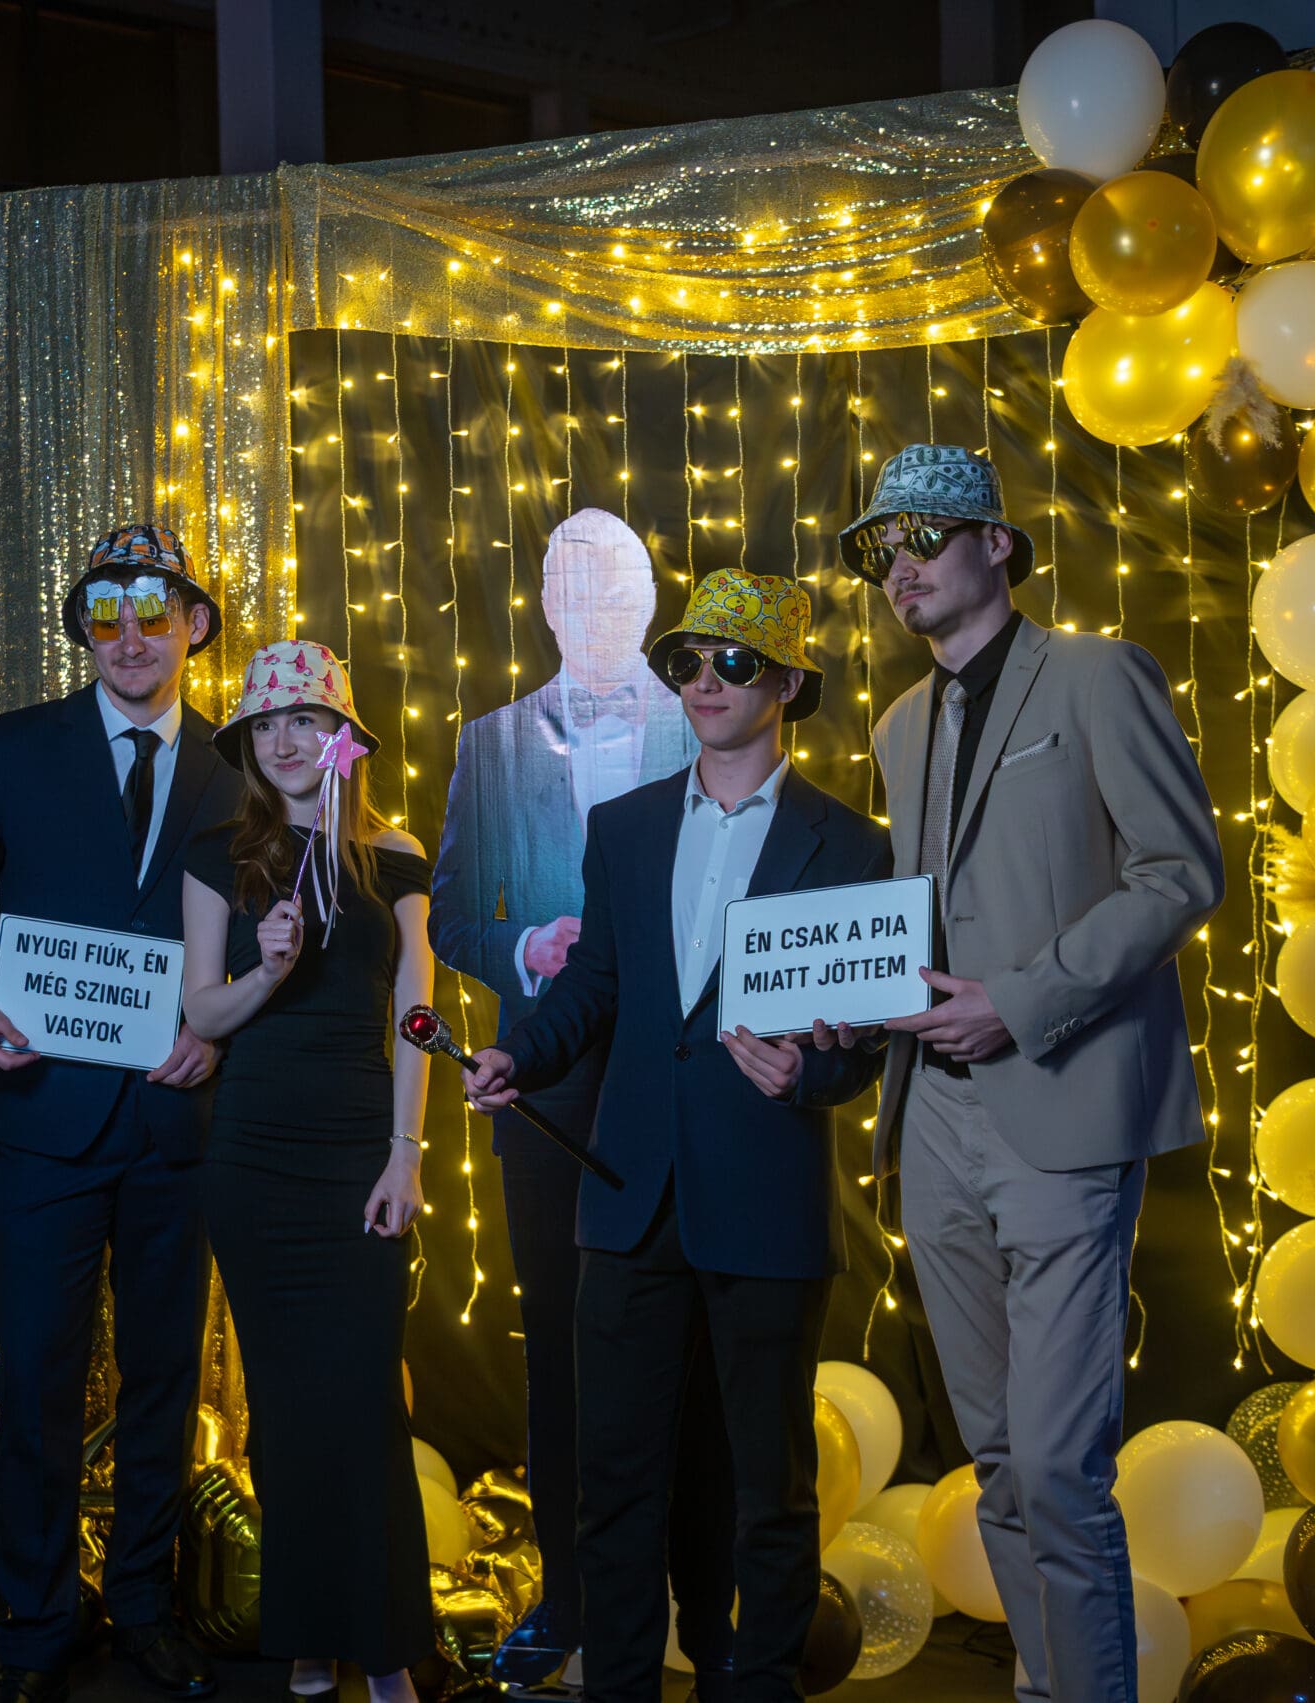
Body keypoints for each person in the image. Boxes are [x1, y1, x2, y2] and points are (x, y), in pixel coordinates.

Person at [461, 569, 890, 1703]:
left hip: (764, 1197)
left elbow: (865, 1034)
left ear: (787, 684)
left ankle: (757, 1687)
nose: (705, 680)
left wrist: (812, 1070)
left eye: (734, 661)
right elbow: (594, 985)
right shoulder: (626, 827)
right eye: (687, 661)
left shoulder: (850, 844)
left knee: (769, 1485)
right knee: (614, 1477)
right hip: (629, 1194)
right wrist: (520, 1056)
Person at [840, 445, 1222, 1703]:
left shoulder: (1097, 674)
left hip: (1059, 1102)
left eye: (922, 536)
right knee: (1000, 1457)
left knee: (1059, 1465)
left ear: (995, 542)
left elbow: (1180, 871)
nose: (898, 567)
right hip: (932, 1113)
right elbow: (920, 914)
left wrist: (1018, 999)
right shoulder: (898, 724)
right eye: (878, 550)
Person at [0, 524, 242, 1703]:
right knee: (38, 1387)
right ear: (84, 631)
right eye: (106, 614)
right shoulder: (10, 749)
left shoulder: (240, 764)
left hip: (176, 1129)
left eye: (154, 612)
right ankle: (37, 1625)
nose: (130, 636)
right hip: (43, 1125)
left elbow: (270, 939)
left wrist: (220, 1028)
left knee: (161, 1385)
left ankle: (143, 1606)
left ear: (195, 624)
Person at [428, 508, 727, 1690]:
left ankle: (696, 1603)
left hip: (679, 1082)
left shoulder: (704, 720)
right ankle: (569, 1597)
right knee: (557, 1348)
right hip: (545, 1087)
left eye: (619, 592)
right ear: (547, 606)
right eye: (574, 591)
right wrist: (521, 949)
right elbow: (452, 912)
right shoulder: (490, 740)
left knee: (688, 1343)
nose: (597, 613)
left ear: (648, 606)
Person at [176, 640, 437, 1703]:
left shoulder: (395, 854)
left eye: (306, 720)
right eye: (266, 724)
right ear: (248, 743)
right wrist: (268, 967)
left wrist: (406, 1152)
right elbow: (204, 1012)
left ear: (343, 738)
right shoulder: (217, 854)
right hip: (253, 1156)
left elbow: (415, 1010)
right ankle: (308, 1635)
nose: (285, 740)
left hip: (358, 1148)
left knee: (365, 1404)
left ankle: (385, 1646)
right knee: (284, 1413)